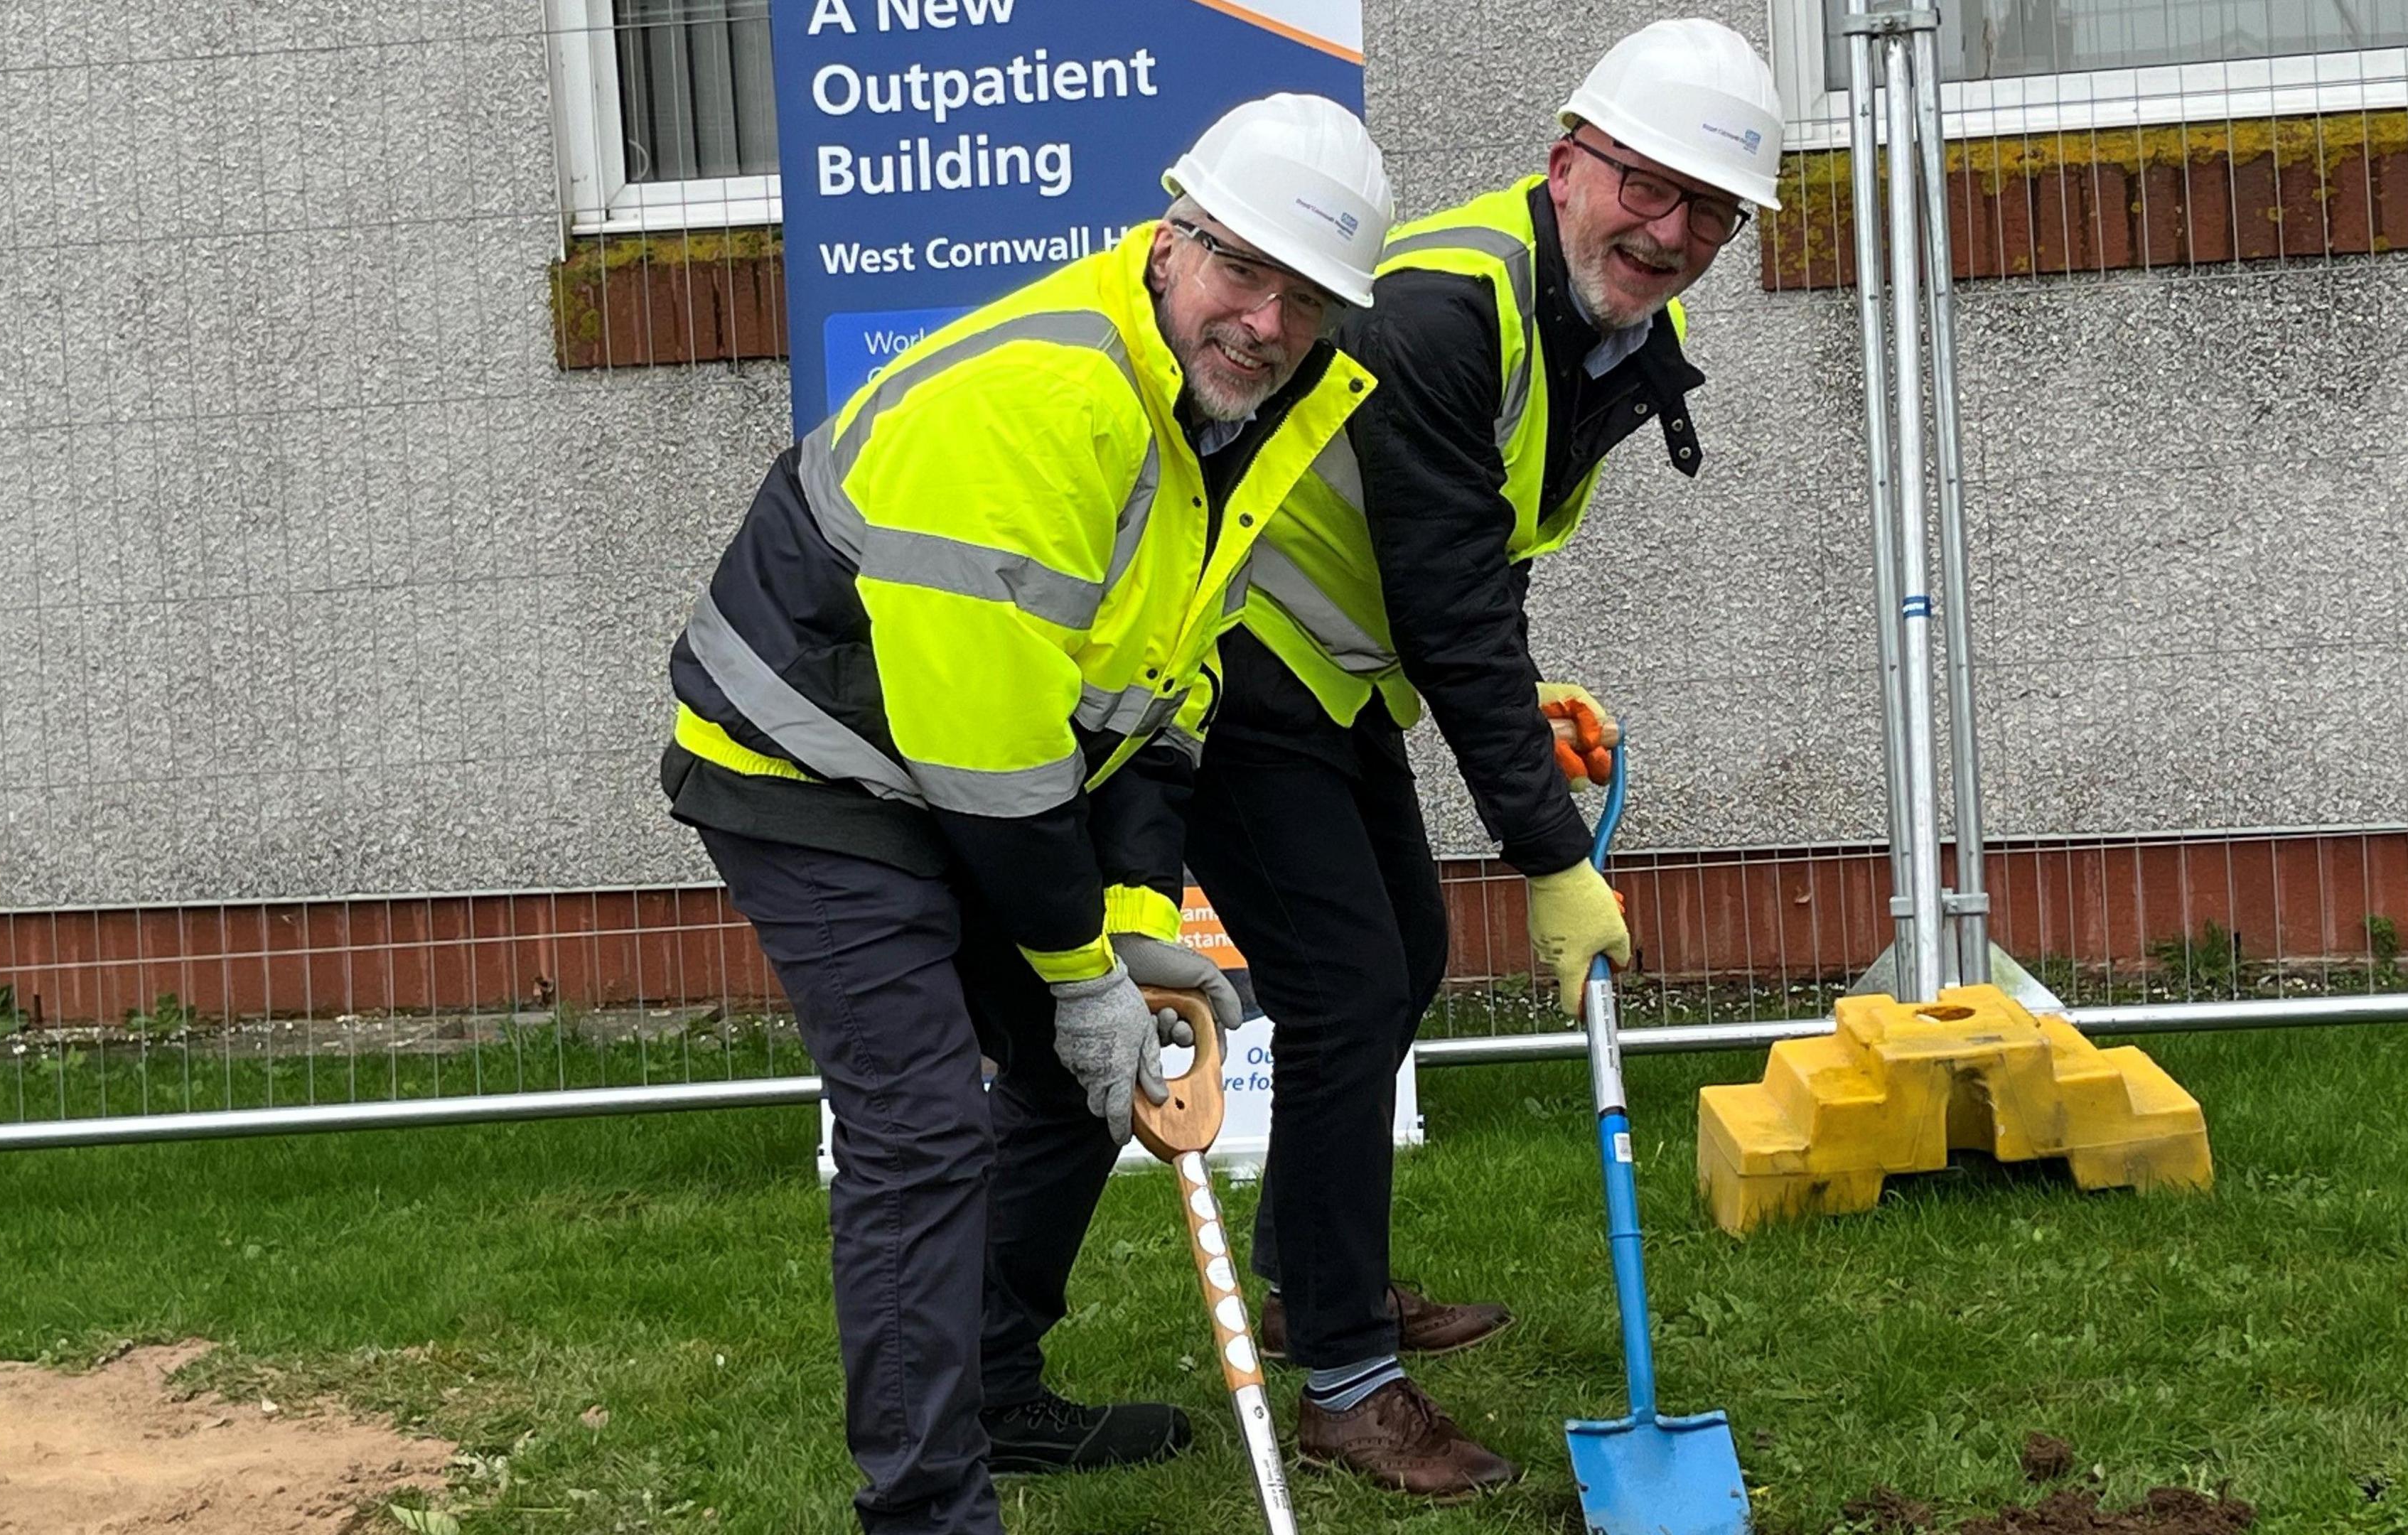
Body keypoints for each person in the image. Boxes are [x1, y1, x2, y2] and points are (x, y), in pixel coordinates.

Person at [660, 95, 1392, 1534]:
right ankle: (930, 1505)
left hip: (966, 773)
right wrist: (1073, 972)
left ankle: (992, 1393)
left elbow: (1166, 698)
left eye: (1305, 295)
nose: (1264, 316)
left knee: (1076, 1075)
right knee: (923, 1123)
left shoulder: (1252, 415)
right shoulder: (1049, 402)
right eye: (1240, 269)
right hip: (807, 766)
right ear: (1173, 237)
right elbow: (984, 747)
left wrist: (1128, 926)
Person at [1180, 19, 1787, 1497]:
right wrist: (1553, 858)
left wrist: (1530, 696)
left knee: (1404, 956)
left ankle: (1322, 1276)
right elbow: (1451, 606)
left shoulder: (1610, 335)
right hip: (1229, 656)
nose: (1675, 229)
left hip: (1328, 675)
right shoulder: (1447, 309)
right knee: (1345, 987)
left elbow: (1478, 559)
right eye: (1648, 185)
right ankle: (1342, 1380)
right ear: (1568, 164)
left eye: (1712, 210)